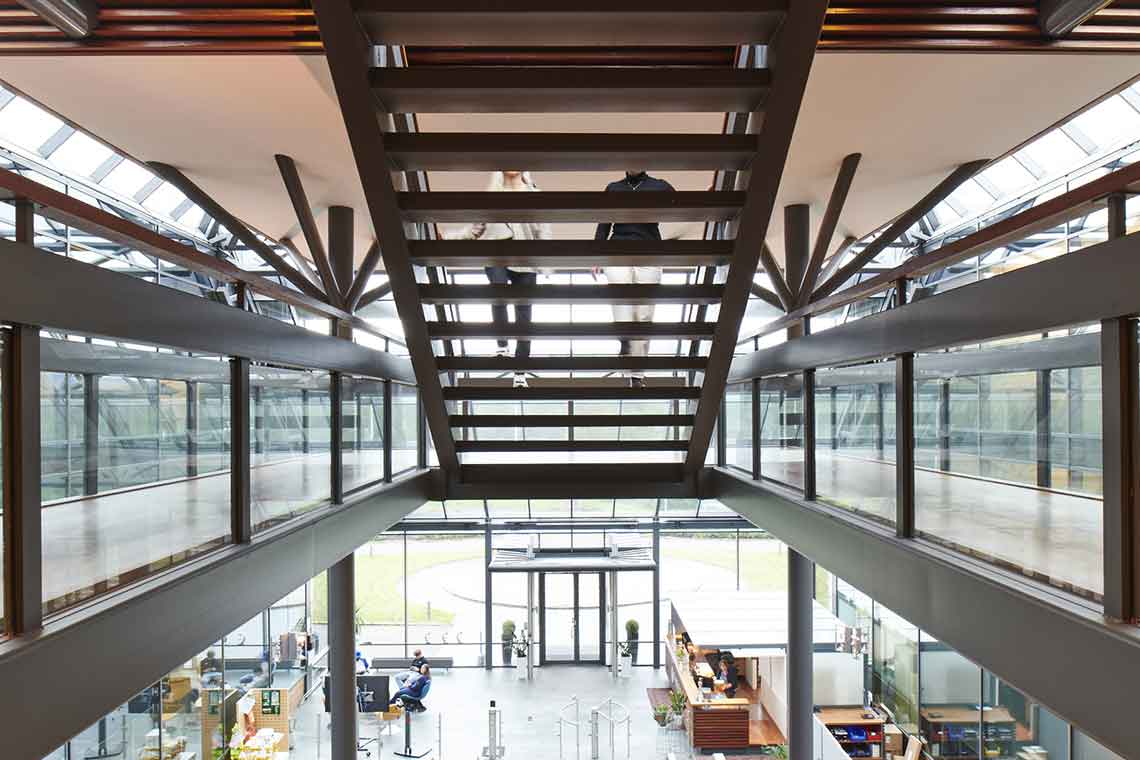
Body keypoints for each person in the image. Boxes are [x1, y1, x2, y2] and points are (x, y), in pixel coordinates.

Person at [450, 170, 552, 389]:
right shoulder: (490, 195)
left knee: (524, 316)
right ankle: (502, 343)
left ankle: (520, 372)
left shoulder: (534, 193)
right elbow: (476, 229)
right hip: (495, 252)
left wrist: (546, 262)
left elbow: (543, 230)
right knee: (497, 292)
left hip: (525, 258)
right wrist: (449, 237)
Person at [593, 170, 683, 388]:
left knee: (644, 314)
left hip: (649, 249)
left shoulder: (659, 185)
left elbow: (680, 202)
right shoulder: (613, 187)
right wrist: (597, 253)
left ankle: (637, 374)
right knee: (622, 306)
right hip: (618, 249)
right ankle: (625, 345)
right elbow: (604, 222)